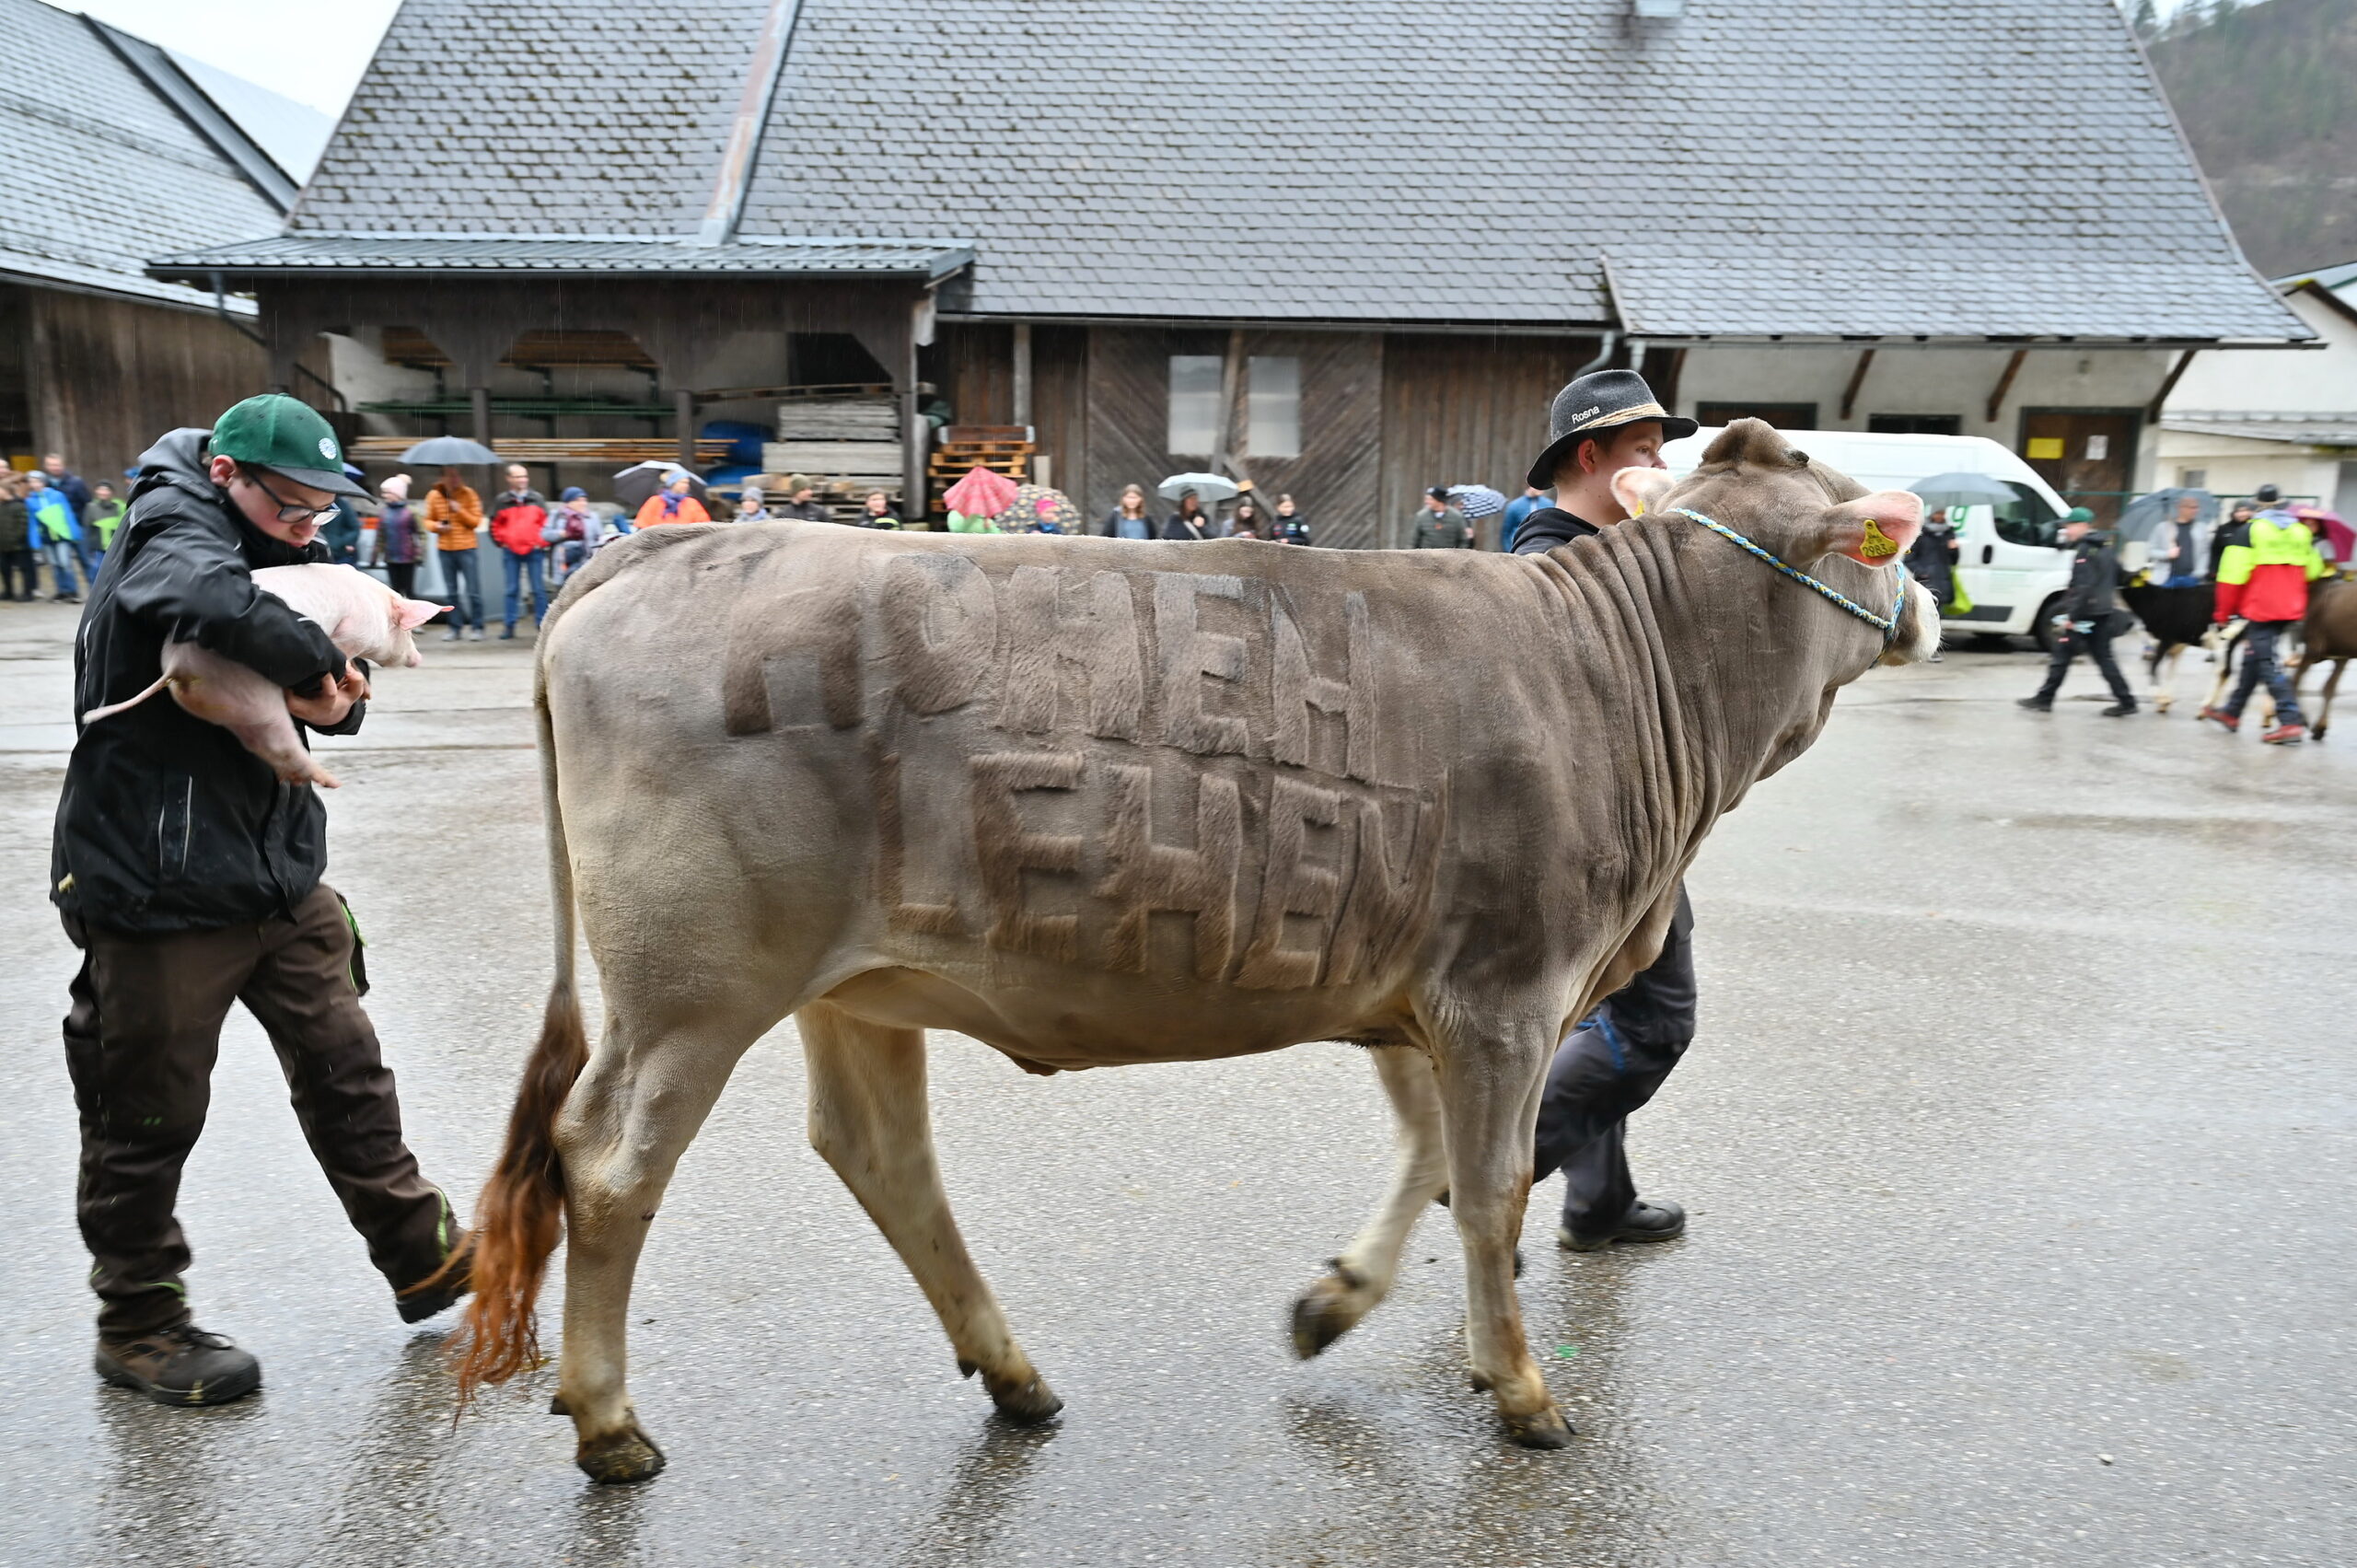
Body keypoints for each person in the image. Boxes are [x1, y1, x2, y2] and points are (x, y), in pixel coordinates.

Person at [52, 393, 470, 1408]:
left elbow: (325, 704)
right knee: (145, 1108)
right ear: (231, 477)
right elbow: (199, 600)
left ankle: (427, 1257)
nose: (311, 529)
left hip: (278, 874)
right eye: (292, 508)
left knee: (349, 1070)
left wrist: (340, 692)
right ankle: (140, 1320)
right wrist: (319, 660)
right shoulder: (172, 526)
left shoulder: (271, 547)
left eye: (324, 509)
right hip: (159, 885)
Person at [1512, 367, 1705, 1251]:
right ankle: (1476, 1175)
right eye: (1645, 448)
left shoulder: (1604, 558)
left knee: (1599, 1014)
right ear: (1593, 458)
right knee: (1653, 1019)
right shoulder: (1554, 569)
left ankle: (1599, 1203)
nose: (1664, 462)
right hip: (1600, 842)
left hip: (1614, 835)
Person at [2202, 484, 2327, 744]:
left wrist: (2223, 613)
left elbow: (2231, 578)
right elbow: (2313, 570)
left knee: (2267, 662)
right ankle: (2232, 712)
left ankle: (2290, 720)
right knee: (2255, 657)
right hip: (2291, 607)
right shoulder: (2300, 531)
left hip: (2262, 606)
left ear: (2258, 506)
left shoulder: (2248, 531)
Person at [2017, 508, 2136, 717]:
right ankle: (2127, 700)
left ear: (2083, 526)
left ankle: (2044, 698)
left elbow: (2082, 586)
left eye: (2070, 526)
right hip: (2102, 612)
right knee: (2103, 658)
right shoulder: (2106, 547)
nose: (2067, 530)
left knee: (2063, 655)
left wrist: (2071, 617)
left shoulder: (2085, 550)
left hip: (2086, 615)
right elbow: (2120, 576)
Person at [424, 466, 485, 640]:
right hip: (445, 549)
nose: (455, 478)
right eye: (451, 476)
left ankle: (477, 627)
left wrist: (459, 509)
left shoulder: (469, 494)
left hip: (467, 548)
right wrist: (438, 527)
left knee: (473, 591)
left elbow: (476, 522)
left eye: (457, 475)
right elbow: (427, 520)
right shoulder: (433, 495)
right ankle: (455, 628)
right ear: (442, 478)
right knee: (451, 592)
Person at [488, 465, 550, 638]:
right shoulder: (502, 500)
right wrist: (501, 542)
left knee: (538, 590)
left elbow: (547, 523)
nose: (523, 479)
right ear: (509, 479)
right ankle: (509, 625)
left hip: (534, 550)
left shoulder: (537, 498)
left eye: (524, 476)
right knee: (511, 590)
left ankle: (542, 625)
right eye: (518, 477)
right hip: (511, 552)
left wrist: (541, 542)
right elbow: (494, 524)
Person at [1908, 507, 1959, 659]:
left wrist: (1954, 550)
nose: (1940, 516)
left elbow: (1953, 560)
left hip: (1943, 579)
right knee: (1924, 615)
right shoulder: (1922, 533)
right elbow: (1910, 557)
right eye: (1938, 513)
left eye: (1942, 513)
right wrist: (1922, 571)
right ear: (1932, 514)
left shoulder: (1949, 532)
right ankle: (1924, 648)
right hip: (1927, 581)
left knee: (1938, 616)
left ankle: (1932, 649)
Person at [27, 470, 84, 601]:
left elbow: (67, 513)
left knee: (65, 563)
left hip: (61, 535)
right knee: (54, 565)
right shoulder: (30, 500)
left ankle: (72, 591)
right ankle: (61, 591)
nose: (35, 484)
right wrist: (35, 541)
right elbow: (33, 522)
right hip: (46, 537)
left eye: (37, 481)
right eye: (32, 482)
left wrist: (73, 532)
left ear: (43, 482)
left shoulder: (57, 495)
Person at [370, 474, 423, 598]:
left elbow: (421, 534)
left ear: (397, 493)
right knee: (395, 592)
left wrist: (420, 554)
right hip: (391, 557)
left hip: (408, 558)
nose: (384, 496)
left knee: (409, 591)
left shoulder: (411, 512)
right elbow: (380, 537)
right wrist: (374, 556)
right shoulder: (384, 513)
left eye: (387, 492)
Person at [2155, 494, 2209, 588]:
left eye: (2197, 507)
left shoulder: (2201, 528)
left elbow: (2205, 552)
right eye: (2192, 507)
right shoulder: (2163, 527)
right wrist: (2167, 554)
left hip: (2192, 578)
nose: (2196, 510)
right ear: (2181, 508)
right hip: (2167, 578)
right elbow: (2151, 551)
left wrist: (2200, 571)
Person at [0, 471, 35, 600]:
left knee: (25, 569)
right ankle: (8, 591)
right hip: (3, 546)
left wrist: (14, 540)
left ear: (6, 491)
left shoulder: (18, 505)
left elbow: (22, 526)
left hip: (19, 546)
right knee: (5, 571)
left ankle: (28, 592)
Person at [634, 472, 711, 528]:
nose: (686, 486)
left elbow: (704, 524)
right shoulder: (655, 501)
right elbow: (642, 523)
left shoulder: (692, 503)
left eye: (687, 483)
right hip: (657, 543)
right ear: (673, 483)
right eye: (683, 482)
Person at [1411, 485, 1473, 549]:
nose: (1426, 502)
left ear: (1439, 500)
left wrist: (1458, 556)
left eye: (1430, 499)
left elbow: (1463, 541)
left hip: (1448, 557)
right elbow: (1413, 541)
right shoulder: (1421, 516)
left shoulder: (1456, 516)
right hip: (1426, 556)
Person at [85, 482, 127, 570]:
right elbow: (86, 526)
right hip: (97, 545)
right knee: (98, 569)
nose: (103, 492)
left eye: (106, 490)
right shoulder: (91, 507)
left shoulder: (120, 507)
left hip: (115, 545)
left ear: (112, 492)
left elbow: (124, 526)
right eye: (100, 489)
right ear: (96, 491)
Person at [1502, 483, 1547, 552]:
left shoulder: (1548, 504)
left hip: (1543, 547)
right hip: (1519, 548)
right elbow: (1506, 532)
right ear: (1529, 485)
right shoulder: (1514, 506)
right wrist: (1509, 551)